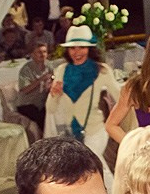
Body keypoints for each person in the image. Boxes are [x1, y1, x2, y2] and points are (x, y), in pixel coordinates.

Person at [47, 25, 116, 159]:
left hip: (95, 131)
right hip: (71, 135)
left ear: (90, 49)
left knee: (92, 164)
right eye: (72, 48)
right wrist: (53, 94)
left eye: (82, 47)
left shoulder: (102, 70)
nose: (77, 52)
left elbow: (120, 98)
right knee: (86, 168)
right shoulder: (61, 70)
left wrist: (113, 123)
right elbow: (51, 108)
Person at [9, 39, 54, 129]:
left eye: (44, 52)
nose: (42, 55)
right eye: (39, 52)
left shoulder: (49, 65)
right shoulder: (26, 69)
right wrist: (40, 79)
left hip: (42, 102)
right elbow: (25, 90)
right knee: (42, 118)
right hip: (27, 103)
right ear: (32, 55)